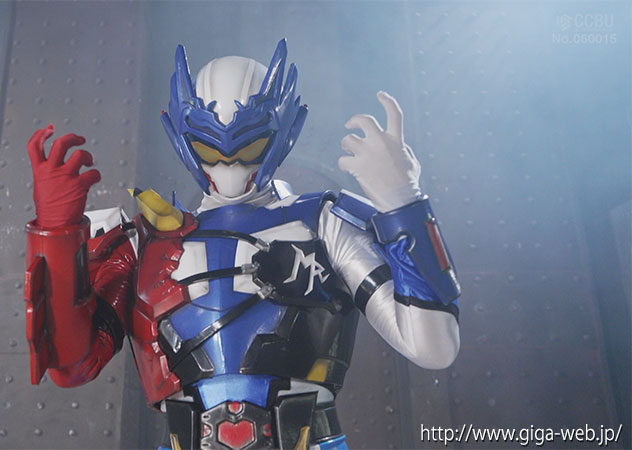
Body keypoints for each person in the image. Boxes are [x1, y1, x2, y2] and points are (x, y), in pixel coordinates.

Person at [24, 39, 461, 450]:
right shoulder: (145, 242)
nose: (229, 164)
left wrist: (403, 203)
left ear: (283, 131)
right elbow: (73, 366)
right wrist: (57, 235)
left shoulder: (325, 224)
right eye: (209, 148)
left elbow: (433, 346)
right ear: (184, 137)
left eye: (249, 145)